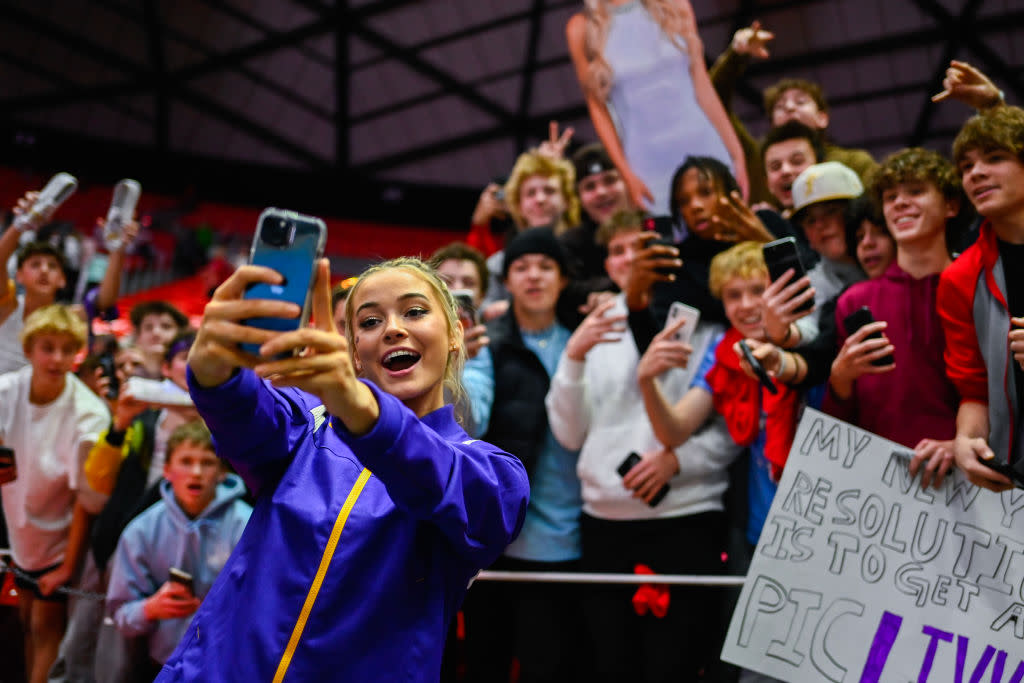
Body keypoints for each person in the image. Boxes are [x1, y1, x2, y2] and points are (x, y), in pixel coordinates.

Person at [155, 256, 529, 681]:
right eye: (369, 322)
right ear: (353, 351)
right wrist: (213, 368)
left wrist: (361, 408)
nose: (392, 329)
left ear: (456, 334)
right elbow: (244, 413)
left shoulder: (492, 471)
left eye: (415, 311)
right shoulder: (307, 424)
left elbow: (446, 485)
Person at [546, 210, 737, 682]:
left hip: (688, 515)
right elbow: (569, 435)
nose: (628, 258)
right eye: (616, 250)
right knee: (612, 664)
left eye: (639, 247)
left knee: (677, 664)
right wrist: (572, 358)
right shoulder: (590, 327)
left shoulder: (705, 320)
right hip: (604, 521)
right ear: (607, 265)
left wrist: (680, 461)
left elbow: (735, 422)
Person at [462, 227, 584, 683]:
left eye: (545, 266)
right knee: (483, 665)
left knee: (550, 667)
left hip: (566, 538)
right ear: (506, 280)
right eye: (521, 267)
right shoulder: (484, 344)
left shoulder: (583, 339)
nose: (533, 275)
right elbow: (469, 418)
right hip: (494, 537)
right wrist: (452, 373)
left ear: (563, 278)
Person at [827, 148, 964, 486]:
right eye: (890, 197)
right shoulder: (854, 303)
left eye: (915, 191)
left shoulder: (980, 288)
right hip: (883, 492)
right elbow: (839, 429)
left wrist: (960, 445)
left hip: (974, 486)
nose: (900, 203)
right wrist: (840, 380)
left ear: (951, 205)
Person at [0, 304, 110, 683]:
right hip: (19, 532)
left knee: (47, 628)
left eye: (68, 349)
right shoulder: (6, 392)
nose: (58, 358)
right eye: (48, 347)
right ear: (29, 350)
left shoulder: (90, 415)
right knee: (26, 620)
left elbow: (86, 499)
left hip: (62, 540)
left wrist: (66, 566)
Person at [566, 0, 748, 214]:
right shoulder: (581, 28)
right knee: (667, 242)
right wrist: (627, 175)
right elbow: (598, 109)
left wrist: (736, 154)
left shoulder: (675, 5)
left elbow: (703, 86)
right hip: (647, 164)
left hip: (704, 143)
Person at [105, 420, 251, 678]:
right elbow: (119, 613)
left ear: (222, 472)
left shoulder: (247, 526)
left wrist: (218, 611)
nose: (196, 472)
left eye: (207, 462)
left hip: (228, 663)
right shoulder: (141, 531)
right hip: (161, 663)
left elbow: (265, 605)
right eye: (186, 461)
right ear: (167, 471)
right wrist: (150, 608)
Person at [939, 105, 1024, 491]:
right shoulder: (959, 278)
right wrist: (965, 440)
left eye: (994, 158)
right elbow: (974, 390)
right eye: (967, 167)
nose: (976, 173)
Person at [128, 301, 189, 379]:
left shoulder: (194, 376)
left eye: (166, 326)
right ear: (137, 337)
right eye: (148, 327)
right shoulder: (124, 375)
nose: (156, 332)